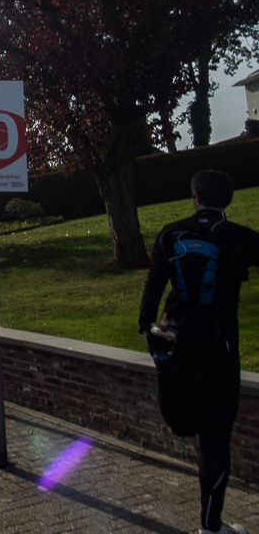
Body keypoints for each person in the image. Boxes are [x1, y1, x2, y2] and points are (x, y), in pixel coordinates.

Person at [139, 169, 259, 534]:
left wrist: (147, 328)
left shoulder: (170, 234)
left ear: (195, 197)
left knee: (183, 422)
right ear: (228, 199)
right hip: (218, 348)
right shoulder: (240, 238)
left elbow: (154, 284)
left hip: (174, 344)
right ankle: (210, 526)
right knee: (215, 437)